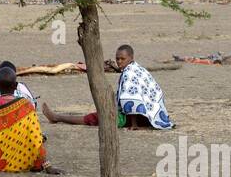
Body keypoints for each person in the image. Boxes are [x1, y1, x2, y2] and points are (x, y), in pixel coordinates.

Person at [40, 44, 172, 130]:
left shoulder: (129, 73)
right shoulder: (139, 69)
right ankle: (58, 117)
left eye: (122, 59)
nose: (119, 62)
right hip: (152, 115)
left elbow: (131, 99)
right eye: (117, 59)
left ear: (131, 58)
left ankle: (56, 117)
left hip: (135, 118)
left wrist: (134, 125)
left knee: (94, 118)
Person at [0, 65, 60, 176]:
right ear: (16, 85)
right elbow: (36, 138)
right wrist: (47, 166)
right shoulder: (26, 105)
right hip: (24, 161)